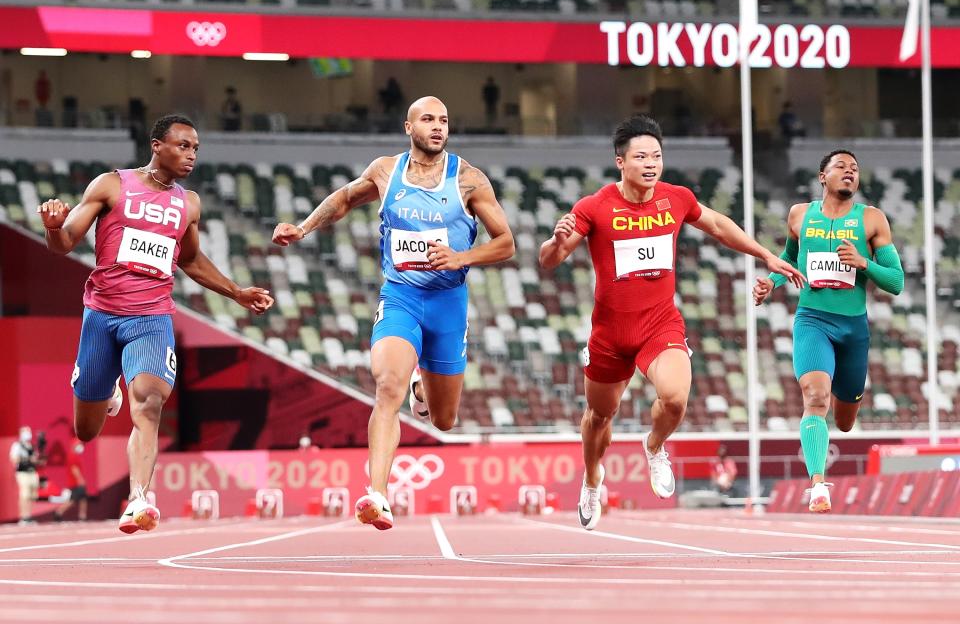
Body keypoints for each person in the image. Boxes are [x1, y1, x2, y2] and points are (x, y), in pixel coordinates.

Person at [539, 114, 804, 531]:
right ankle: (592, 479)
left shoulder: (676, 198)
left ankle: (655, 446)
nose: (650, 163)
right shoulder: (594, 207)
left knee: (676, 397)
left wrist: (766, 256)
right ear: (620, 162)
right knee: (598, 417)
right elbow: (550, 261)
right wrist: (555, 241)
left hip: (659, 325)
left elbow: (718, 225)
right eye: (641, 156)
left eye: (657, 156)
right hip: (609, 334)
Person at [273, 96, 514, 530]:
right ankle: (377, 495)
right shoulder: (387, 170)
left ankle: (423, 392)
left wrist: (461, 258)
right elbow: (345, 199)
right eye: (428, 119)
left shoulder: (469, 180)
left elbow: (506, 243)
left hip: (447, 305)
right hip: (400, 296)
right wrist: (303, 227)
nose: (438, 127)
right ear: (408, 127)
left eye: (444, 120)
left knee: (444, 418)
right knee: (387, 386)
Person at [37, 114, 274, 534]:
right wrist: (53, 228)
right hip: (102, 315)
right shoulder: (111, 185)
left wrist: (236, 292)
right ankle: (107, 386)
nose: (191, 155)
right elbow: (65, 242)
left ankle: (139, 498)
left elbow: (189, 259)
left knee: (147, 402)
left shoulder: (189, 203)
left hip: (151, 318)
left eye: (196, 148)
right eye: (183, 146)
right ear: (156, 146)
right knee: (86, 430)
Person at [753, 149, 903, 512]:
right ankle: (819, 485)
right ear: (823, 176)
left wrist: (863, 262)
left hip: (853, 329)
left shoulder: (871, 220)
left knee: (845, 420)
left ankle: (847, 401)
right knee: (815, 399)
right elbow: (790, 258)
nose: (850, 172)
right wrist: (773, 282)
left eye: (855, 169)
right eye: (841, 167)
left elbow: (896, 281)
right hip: (813, 321)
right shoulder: (800, 215)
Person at [9, 426, 40, 525]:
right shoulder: (17, 445)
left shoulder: (31, 446)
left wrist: (37, 460)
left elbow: (35, 459)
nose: (28, 434)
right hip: (23, 472)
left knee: (32, 495)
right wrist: (27, 459)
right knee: (25, 494)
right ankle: (23, 517)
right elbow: (14, 459)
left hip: (32, 472)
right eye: (26, 432)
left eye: (29, 432)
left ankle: (29, 516)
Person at [54, 435, 88, 522]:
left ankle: (82, 516)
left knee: (83, 498)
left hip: (75, 482)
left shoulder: (74, 455)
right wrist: (80, 480)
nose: (81, 446)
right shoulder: (72, 456)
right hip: (75, 482)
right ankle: (59, 512)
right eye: (79, 444)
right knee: (73, 500)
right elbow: (74, 469)